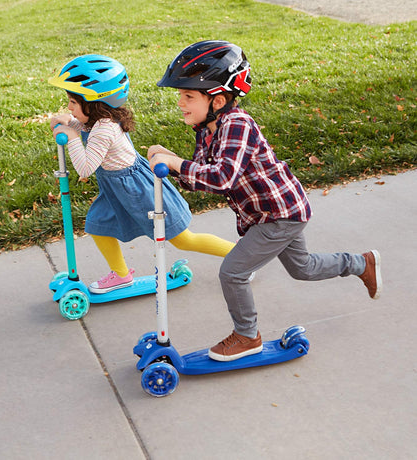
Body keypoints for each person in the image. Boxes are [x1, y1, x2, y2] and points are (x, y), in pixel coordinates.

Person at [148, 40, 382, 362]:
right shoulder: (207, 129)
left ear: (216, 98)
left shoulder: (237, 125)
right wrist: (173, 162)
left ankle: (247, 336)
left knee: (232, 272)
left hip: (278, 214)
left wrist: (175, 164)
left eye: (188, 96)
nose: (180, 103)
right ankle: (361, 263)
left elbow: (222, 178)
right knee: (304, 268)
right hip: (275, 211)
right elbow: (202, 177)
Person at [48, 54, 234, 294]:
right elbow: (86, 129)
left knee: (183, 239)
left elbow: (85, 168)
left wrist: (72, 136)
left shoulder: (104, 130)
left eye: (73, 102)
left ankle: (238, 256)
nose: (69, 108)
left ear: (93, 103)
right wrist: (71, 123)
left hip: (137, 189)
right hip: (117, 188)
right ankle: (122, 275)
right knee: (97, 225)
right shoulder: (100, 120)